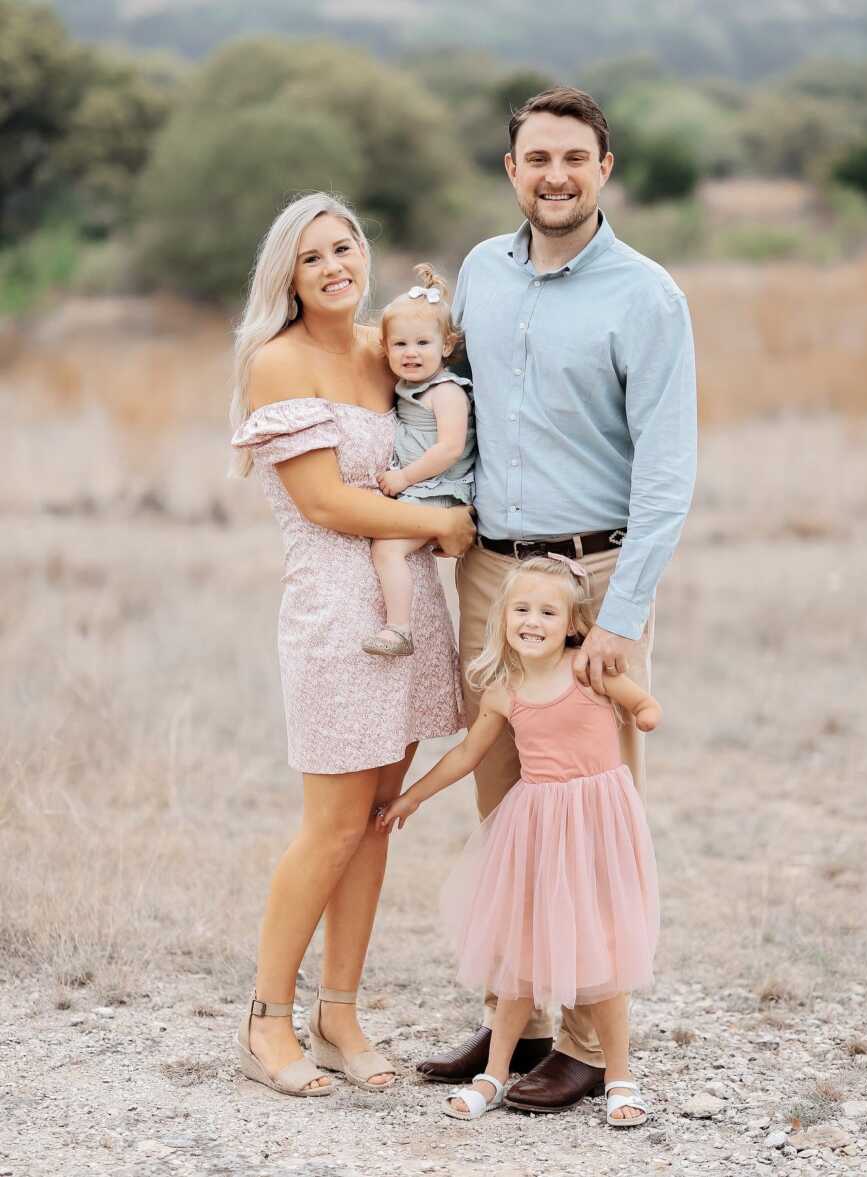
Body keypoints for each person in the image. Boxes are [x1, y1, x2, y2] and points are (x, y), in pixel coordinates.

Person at [417, 86, 697, 1112]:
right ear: (511, 170)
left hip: (593, 581)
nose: (556, 175)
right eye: (537, 157)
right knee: (508, 805)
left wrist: (621, 615)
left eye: (574, 157)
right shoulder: (482, 275)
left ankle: (586, 1042)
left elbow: (668, 472)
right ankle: (518, 1021)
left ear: (604, 168)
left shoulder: (647, 297)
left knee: (586, 811)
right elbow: (448, 403)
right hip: (494, 574)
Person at [228, 193, 474, 1098]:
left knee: (375, 819)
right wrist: (440, 524)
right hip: (338, 614)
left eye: (347, 246)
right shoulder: (277, 361)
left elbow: (454, 409)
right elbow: (326, 503)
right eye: (312, 257)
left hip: (410, 607)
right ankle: (265, 1021)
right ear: (285, 277)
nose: (336, 266)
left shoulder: (390, 346)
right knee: (330, 824)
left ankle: (339, 1013)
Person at [380, 556, 661, 1124]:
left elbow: (640, 703)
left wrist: (647, 712)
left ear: (572, 621)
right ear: (503, 617)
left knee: (602, 952)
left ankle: (619, 1076)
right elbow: (466, 754)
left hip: (595, 824)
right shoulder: (504, 692)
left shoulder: (589, 669)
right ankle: (495, 1074)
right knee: (520, 953)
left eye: (548, 612)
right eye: (521, 610)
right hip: (534, 828)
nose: (532, 621)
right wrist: (412, 796)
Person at [362, 264, 475, 656]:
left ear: (446, 346)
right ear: (386, 347)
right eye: (400, 345)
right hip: (422, 487)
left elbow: (450, 448)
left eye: (423, 344)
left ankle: (399, 629)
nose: (411, 353)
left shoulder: (445, 392)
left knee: (386, 548)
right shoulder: (408, 386)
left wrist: (404, 478)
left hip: (441, 490)